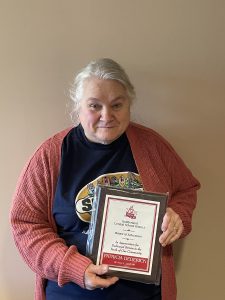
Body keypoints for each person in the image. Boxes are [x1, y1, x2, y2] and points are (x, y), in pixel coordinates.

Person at [10, 58, 200, 300]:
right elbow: (26, 225)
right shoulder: (50, 155)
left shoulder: (153, 147)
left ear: (129, 104)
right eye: (94, 106)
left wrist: (178, 216)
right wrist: (74, 268)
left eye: (117, 105)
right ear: (78, 106)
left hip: (143, 293)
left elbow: (186, 189)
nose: (106, 115)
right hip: (71, 292)